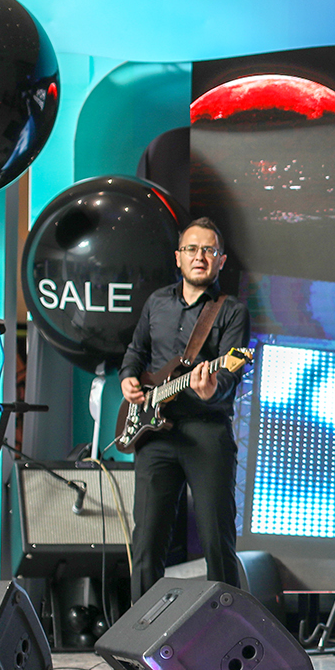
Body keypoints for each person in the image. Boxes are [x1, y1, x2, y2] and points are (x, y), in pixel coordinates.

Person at [120, 217, 251, 600]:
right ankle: (141, 630)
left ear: (220, 260)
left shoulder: (232, 311)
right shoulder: (157, 302)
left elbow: (230, 372)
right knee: (146, 543)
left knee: (217, 541)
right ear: (178, 257)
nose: (199, 257)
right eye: (192, 249)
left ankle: (225, 626)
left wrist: (211, 389)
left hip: (206, 433)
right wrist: (128, 378)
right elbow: (136, 351)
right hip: (154, 434)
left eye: (209, 250)